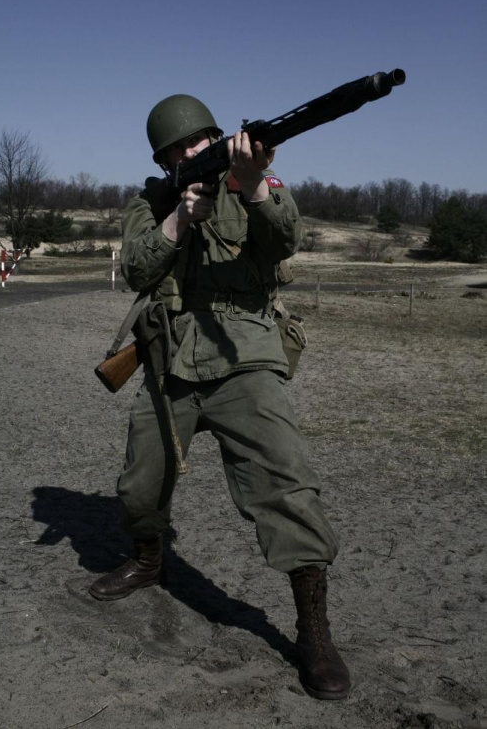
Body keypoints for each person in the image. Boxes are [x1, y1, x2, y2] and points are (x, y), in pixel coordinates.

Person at [90, 95, 351, 700]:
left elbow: (286, 240)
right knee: (139, 483)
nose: (192, 152)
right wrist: (179, 219)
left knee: (285, 486)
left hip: (245, 358)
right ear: (164, 159)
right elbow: (135, 269)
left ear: (216, 137)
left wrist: (253, 184)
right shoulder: (150, 203)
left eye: (199, 141)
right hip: (168, 359)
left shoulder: (252, 181)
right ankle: (150, 560)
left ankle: (314, 631)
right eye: (178, 149)